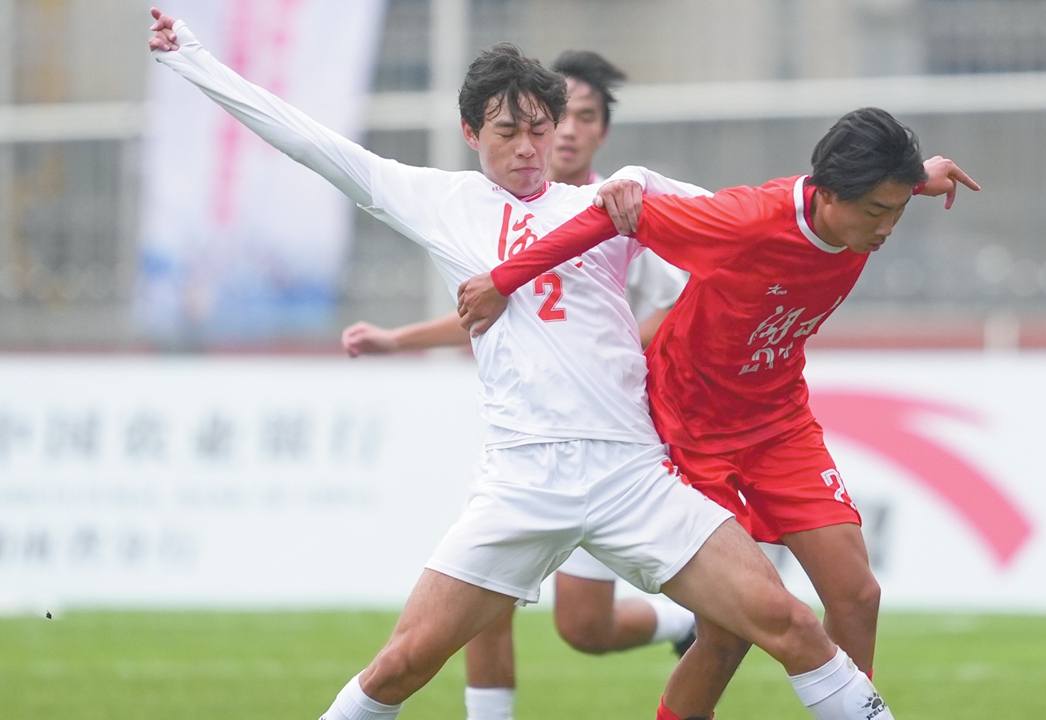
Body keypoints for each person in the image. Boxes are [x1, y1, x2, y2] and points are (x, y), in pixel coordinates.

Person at [148, 9, 900, 720]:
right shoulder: (438, 201)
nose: (529, 147)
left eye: (542, 129)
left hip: (631, 474)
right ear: (471, 133)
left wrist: (897, 185)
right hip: (522, 481)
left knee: (791, 624)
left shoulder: (616, 200)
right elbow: (311, 143)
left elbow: (765, 217)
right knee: (402, 664)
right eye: (508, 132)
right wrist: (194, 58)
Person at [459, 107, 980, 720]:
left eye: (898, 209)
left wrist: (919, 177)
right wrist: (503, 278)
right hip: (690, 431)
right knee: (726, 638)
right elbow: (606, 217)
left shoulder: (864, 199)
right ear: (829, 196)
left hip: (780, 423)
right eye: (877, 212)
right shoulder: (742, 222)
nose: (887, 227)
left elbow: (882, 189)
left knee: (858, 595)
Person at [342, 50, 695, 720]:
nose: (559, 136)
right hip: (533, 443)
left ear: (594, 131)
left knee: (584, 628)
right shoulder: (491, 210)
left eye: (578, 119)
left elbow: (685, 305)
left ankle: (687, 627)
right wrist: (398, 340)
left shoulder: (624, 214)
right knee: (486, 598)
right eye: (529, 124)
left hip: (621, 447)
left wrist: (616, 353)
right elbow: (486, 309)